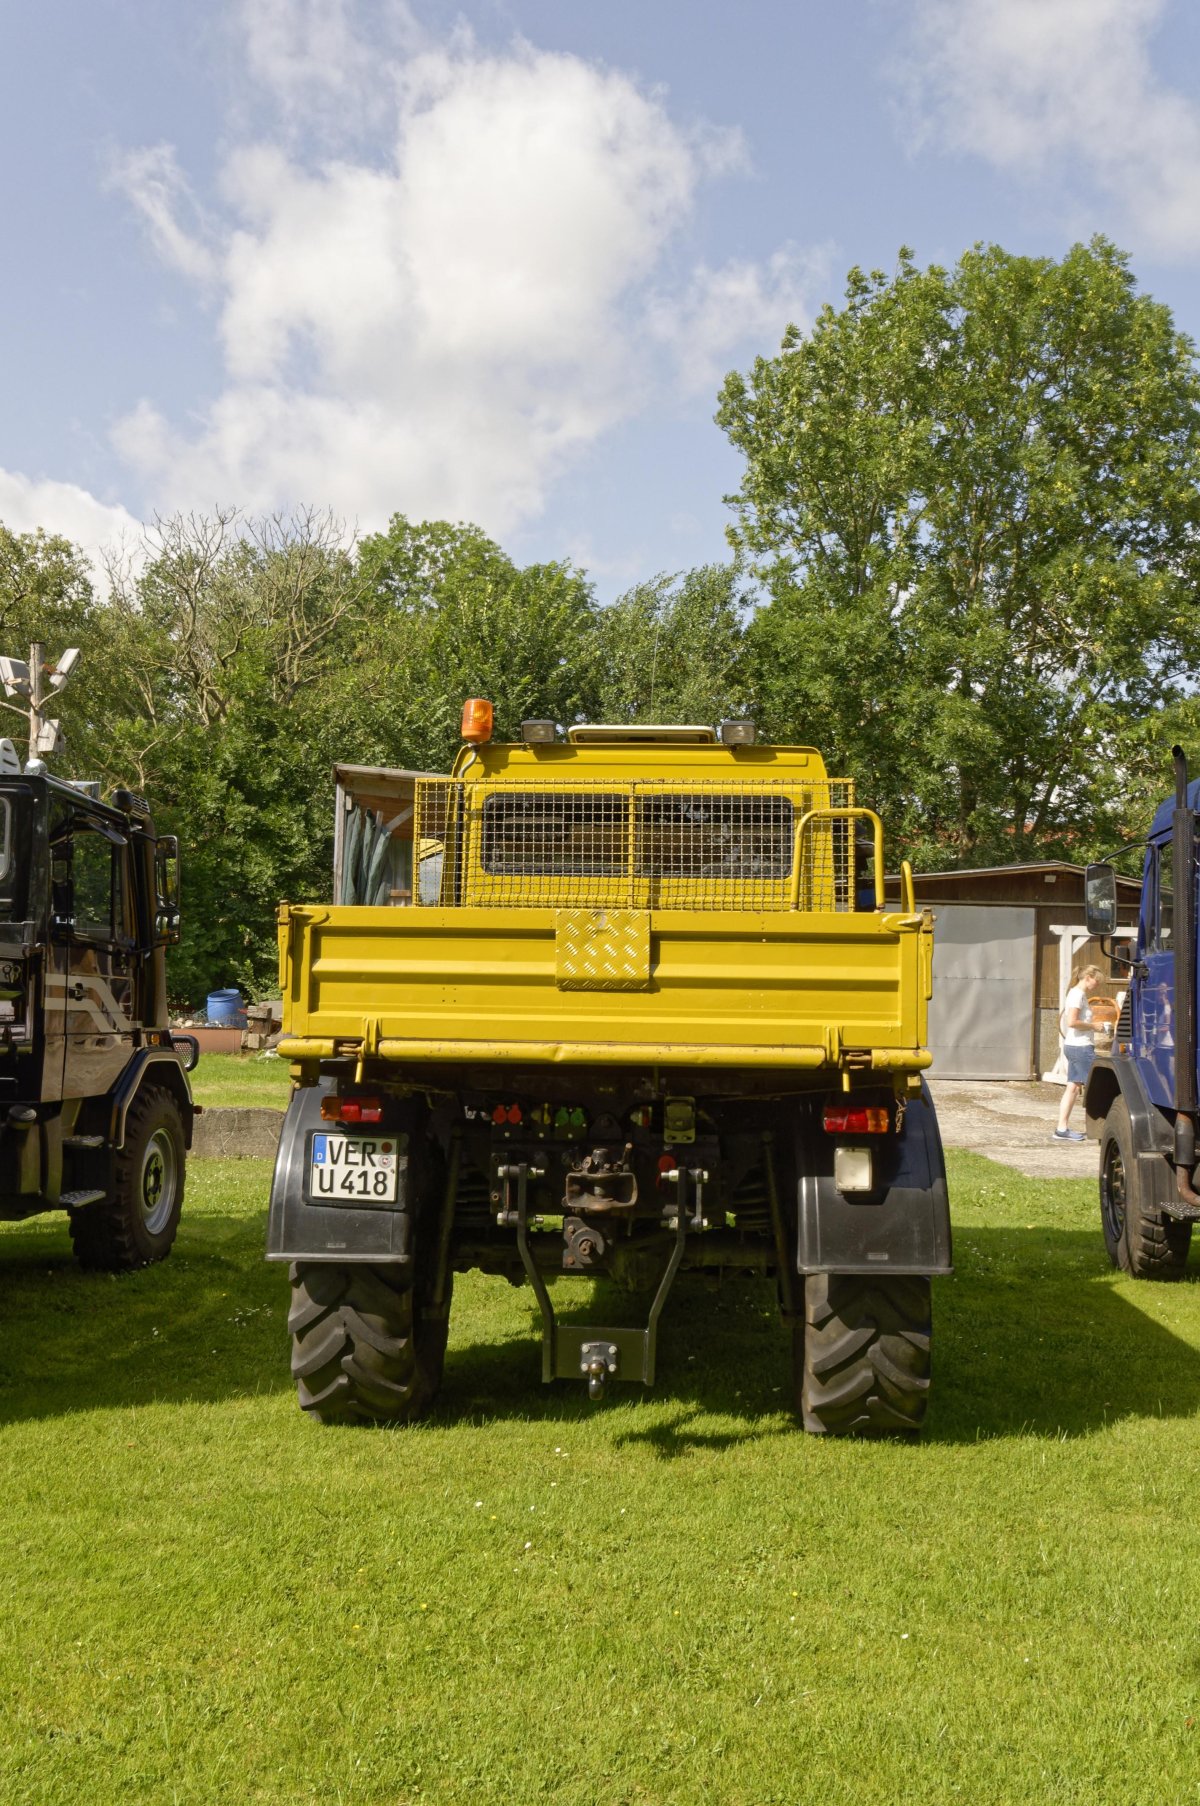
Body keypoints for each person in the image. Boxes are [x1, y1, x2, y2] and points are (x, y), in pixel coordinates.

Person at [1054, 963, 1104, 1142]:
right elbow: (1072, 1022)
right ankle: (1104, 1127)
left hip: (1075, 1045)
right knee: (1099, 1087)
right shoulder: (1077, 995)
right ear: (1087, 977)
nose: (1096, 985)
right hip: (1080, 1047)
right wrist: (1094, 1026)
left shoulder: (1078, 994)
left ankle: (1061, 1128)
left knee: (1073, 1087)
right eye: (1096, 981)